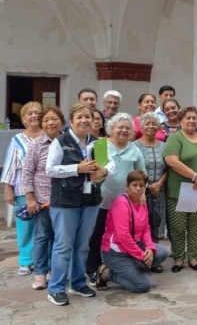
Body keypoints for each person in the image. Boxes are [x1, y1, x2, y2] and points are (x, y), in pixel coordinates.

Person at [45, 102, 115, 306]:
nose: (84, 120)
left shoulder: (97, 142)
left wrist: (105, 171)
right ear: (71, 121)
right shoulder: (61, 141)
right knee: (63, 245)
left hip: (91, 199)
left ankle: (77, 282)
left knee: (83, 245)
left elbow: (111, 163)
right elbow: (50, 169)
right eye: (80, 117)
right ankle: (56, 288)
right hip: (65, 201)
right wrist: (78, 168)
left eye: (88, 117)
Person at [86, 113, 146, 286]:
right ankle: (93, 269)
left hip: (125, 205)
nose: (124, 130)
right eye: (120, 127)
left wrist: (142, 192)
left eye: (128, 128)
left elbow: (142, 174)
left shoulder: (134, 149)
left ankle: (118, 266)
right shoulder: (99, 145)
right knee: (97, 236)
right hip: (101, 201)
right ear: (111, 128)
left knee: (121, 237)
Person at [164, 106, 197, 272]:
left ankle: (193, 258)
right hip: (179, 191)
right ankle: (178, 259)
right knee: (178, 227)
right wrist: (195, 176)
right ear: (180, 121)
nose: (191, 121)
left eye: (194, 118)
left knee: (195, 226)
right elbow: (172, 161)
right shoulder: (175, 138)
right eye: (188, 118)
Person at [98, 170, 169, 292]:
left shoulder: (141, 202)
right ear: (127, 186)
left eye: (141, 185)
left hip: (133, 247)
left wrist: (149, 249)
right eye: (134, 185)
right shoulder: (121, 204)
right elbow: (123, 236)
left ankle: (133, 270)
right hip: (116, 252)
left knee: (162, 253)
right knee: (143, 286)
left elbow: (146, 228)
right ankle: (107, 273)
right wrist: (141, 256)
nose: (138, 189)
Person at [21, 106, 64, 290]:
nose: (50, 123)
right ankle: (40, 273)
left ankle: (56, 270)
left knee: (60, 239)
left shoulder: (67, 141)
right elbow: (27, 172)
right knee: (41, 237)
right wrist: (30, 199)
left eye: (54, 119)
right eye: (46, 120)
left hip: (64, 200)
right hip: (42, 200)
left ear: (62, 121)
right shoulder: (36, 144)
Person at [1, 101, 42, 276]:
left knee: (44, 227)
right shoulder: (17, 139)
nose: (34, 116)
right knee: (25, 226)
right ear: (24, 119)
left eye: (37, 113)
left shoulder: (49, 136)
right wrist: (7, 188)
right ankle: (26, 260)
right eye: (30, 113)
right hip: (22, 191)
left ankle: (42, 259)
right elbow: (10, 165)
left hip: (45, 190)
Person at [134, 112, 168, 242]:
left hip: (160, 192)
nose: (151, 126)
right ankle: (142, 258)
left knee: (157, 223)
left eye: (154, 123)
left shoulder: (164, 146)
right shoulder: (134, 146)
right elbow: (133, 169)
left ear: (158, 127)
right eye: (147, 123)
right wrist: (146, 186)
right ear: (141, 128)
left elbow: (168, 168)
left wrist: (159, 184)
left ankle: (154, 258)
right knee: (141, 226)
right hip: (140, 193)